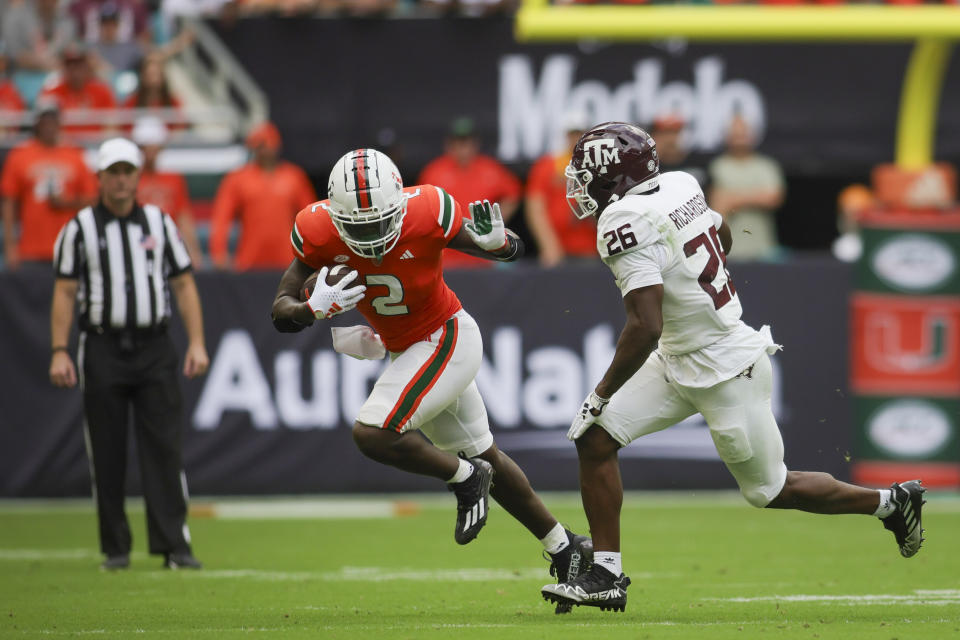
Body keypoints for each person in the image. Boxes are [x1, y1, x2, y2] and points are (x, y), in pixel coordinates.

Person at [540, 122, 926, 613]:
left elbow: (645, 325)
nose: (578, 183)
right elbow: (719, 232)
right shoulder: (681, 183)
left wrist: (599, 393)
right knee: (595, 438)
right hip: (680, 356)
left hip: (724, 367)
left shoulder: (624, 219)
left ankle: (891, 502)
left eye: (585, 173)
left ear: (612, 174)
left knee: (771, 490)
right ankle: (606, 574)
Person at [271, 148, 592, 598]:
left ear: (399, 203)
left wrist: (501, 243)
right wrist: (309, 309)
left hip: (445, 337)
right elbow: (281, 312)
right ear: (337, 217)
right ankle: (566, 549)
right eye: (359, 226)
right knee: (487, 453)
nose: (372, 235)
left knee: (373, 432)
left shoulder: (427, 211)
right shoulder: (316, 229)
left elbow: (504, 248)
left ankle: (464, 477)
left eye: (381, 222)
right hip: (407, 350)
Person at [49, 136, 209, 570]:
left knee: (165, 448)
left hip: (154, 346)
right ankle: (116, 548)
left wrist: (196, 341)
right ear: (99, 177)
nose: (120, 180)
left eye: (127, 172)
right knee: (106, 448)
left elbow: (183, 284)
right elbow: (65, 292)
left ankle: (174, 545)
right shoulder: (79, 228)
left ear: (139, 176)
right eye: (113, 172)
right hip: (101, 344)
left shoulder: (159, 222)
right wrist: (60, 349)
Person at [1, 98, 97, 269]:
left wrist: (67, 202)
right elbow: (9, 201)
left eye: (52, 120)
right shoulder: (20, 155)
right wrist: (10, 245)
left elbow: (92, 199)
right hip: (30, 249)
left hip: (68, 247)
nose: (48, 125)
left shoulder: (75, 154)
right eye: (44, 120)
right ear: (37, 123)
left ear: (59, 122)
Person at [209, 121, 316, 270]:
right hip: (249, 260)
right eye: (260, 146)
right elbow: (221, 218)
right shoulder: (237, 178)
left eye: (267, 144)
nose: (265, 150)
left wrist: (313, 253)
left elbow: (311, 218)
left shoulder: (294, 176)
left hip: (287, 260)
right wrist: (219, 252)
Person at [417, 116, 521, 268]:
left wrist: (496, 221)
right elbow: (420, 206)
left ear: (475, 144)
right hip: (446, 256)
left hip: (483, 254)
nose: (463, 147)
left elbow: (514, 194)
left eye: (467, 142)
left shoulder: (490, 169)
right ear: (449, 145)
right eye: (458, 142)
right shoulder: (434, 171)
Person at [708, 115, 785, 261]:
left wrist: (733, 199)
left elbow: (774, 198)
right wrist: (756, 196)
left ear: (753, 136)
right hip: (730, 251)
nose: (740, 138)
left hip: (764, 250)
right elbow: (717, 206)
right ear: (727, 137)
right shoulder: (717, 167)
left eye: (743, 134)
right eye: (735, 134)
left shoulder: (766, 166)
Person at [524, 110, 595, 267]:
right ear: (565, 135)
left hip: (593, 250)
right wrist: (549, 245)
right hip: (559, 252)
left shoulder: (599, 165)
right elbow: (535, 207)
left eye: (581, 133)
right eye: (573, 133)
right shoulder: (549, 165)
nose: (577, 138)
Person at [132, 116, 203, 264]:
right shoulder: (131, 179)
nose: (150, 151)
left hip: (168, 244)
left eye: (154, 146)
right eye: (146, 146)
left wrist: (193, 251)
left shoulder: (174, 178)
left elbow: (183, 216)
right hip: (138, 245)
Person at [38, 43, 117, 136]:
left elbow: (112, 126)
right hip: (63, 146)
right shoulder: (52, 92)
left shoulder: (102, 90)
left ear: (87, 66)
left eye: (79, 65)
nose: (75, 71)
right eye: (70, 65)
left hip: (95, 145)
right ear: (64, 67)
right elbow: (47, 128)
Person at [648, 114, 710, 190]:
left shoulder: (701, 160)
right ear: (654, 136)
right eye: (664, 133)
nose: (671, 139)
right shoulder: (650, 169)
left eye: (676, 132)